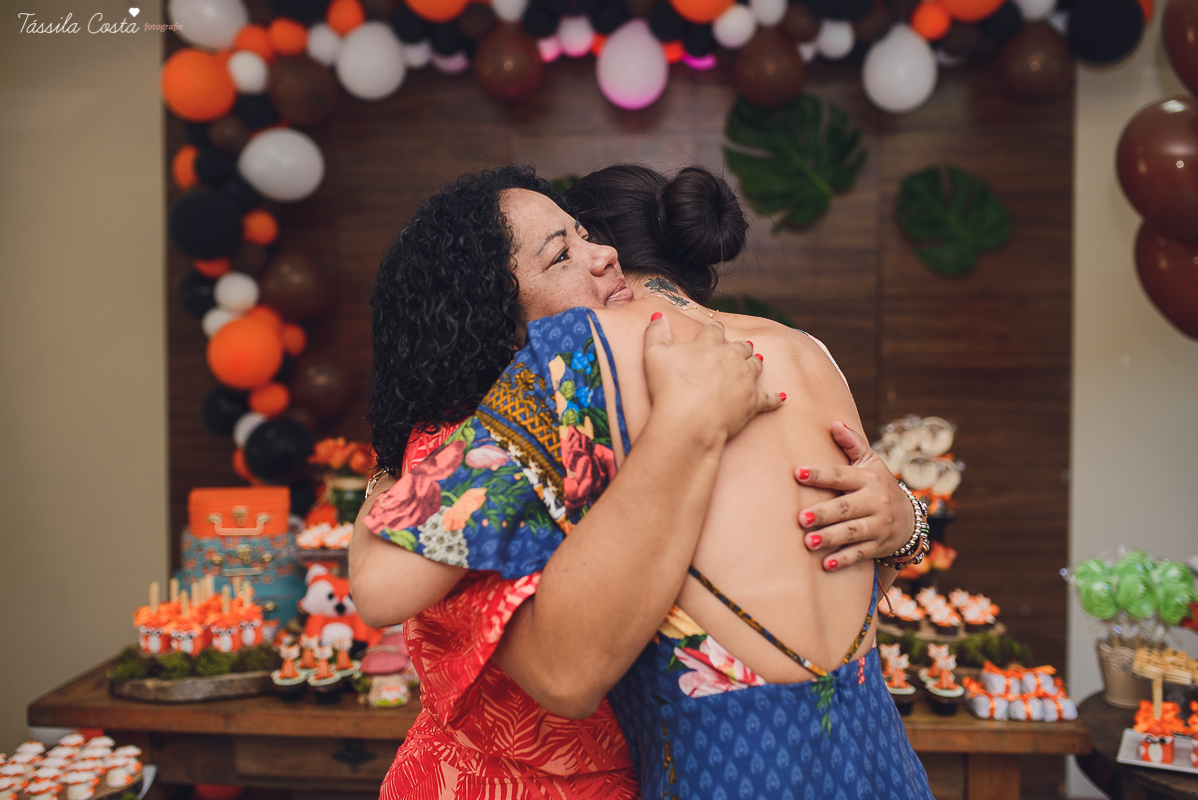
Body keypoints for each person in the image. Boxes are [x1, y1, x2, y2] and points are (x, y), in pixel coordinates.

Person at [350, 165, 926, 798]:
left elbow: (386, 584)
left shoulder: (583, 358)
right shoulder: (806, 351)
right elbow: (845, 568)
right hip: (880, 765)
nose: (602, 258)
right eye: (564, 252)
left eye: (587, 236)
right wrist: (907, 529)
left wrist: (903, 526)